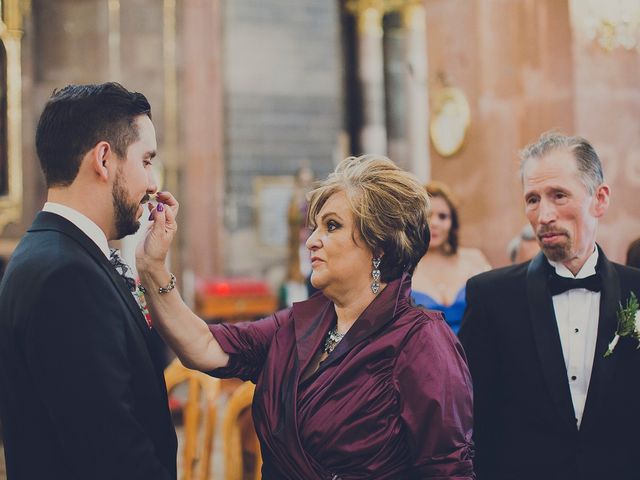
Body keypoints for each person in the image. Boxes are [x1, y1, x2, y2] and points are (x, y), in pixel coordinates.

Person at [137, 155, 475, 479]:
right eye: (315, 228)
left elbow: (447, 471)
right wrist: (152, 267)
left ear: (379, 245)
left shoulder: (422, 342)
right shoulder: (298, 324)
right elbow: (204, 346)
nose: (312, 241)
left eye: (332, 226)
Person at [0, 83, 177, 479]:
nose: (152, 185)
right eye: (146, 161)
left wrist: (150, 268)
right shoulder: (67, 278)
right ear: (103, 159)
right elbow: (112, 454)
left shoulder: (51, 252)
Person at [459, 131, 640, 480]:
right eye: (532, 199)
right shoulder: (490, 296)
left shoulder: (637, 289)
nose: (544, 215)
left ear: (599, 199)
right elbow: (473, 416)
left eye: (558, 195)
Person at [411, 181, 490, 334]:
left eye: (443, 216)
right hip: (428, 354)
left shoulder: (474, 259)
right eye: (427, 215)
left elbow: (494, 308)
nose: (434, 223)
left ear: (452, 223)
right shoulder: (404, 268)